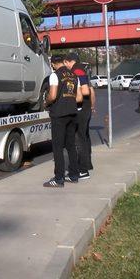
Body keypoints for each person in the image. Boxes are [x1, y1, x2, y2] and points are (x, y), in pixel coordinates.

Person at [44, 55, 83, 188]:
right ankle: (73, 175)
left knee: (58, 147)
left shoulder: (54, 75)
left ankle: (59, 178)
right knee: (71, 145)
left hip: (59, 115)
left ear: (54, 64)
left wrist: (46, 102)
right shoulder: (74, 76)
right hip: (72, 113)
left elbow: (53, 95)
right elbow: (79, 98)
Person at [64, 53, 95, 180]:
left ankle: (82, 170)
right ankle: (87, 165)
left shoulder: (77, 70)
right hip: (87, 107)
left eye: (66, 63)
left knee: (79, 138)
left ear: (69, 61)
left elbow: (86, 91)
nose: (66, 66)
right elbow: (92, 91)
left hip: (81, 108)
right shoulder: (83, 69)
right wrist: (92, 106)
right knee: (85, 136)